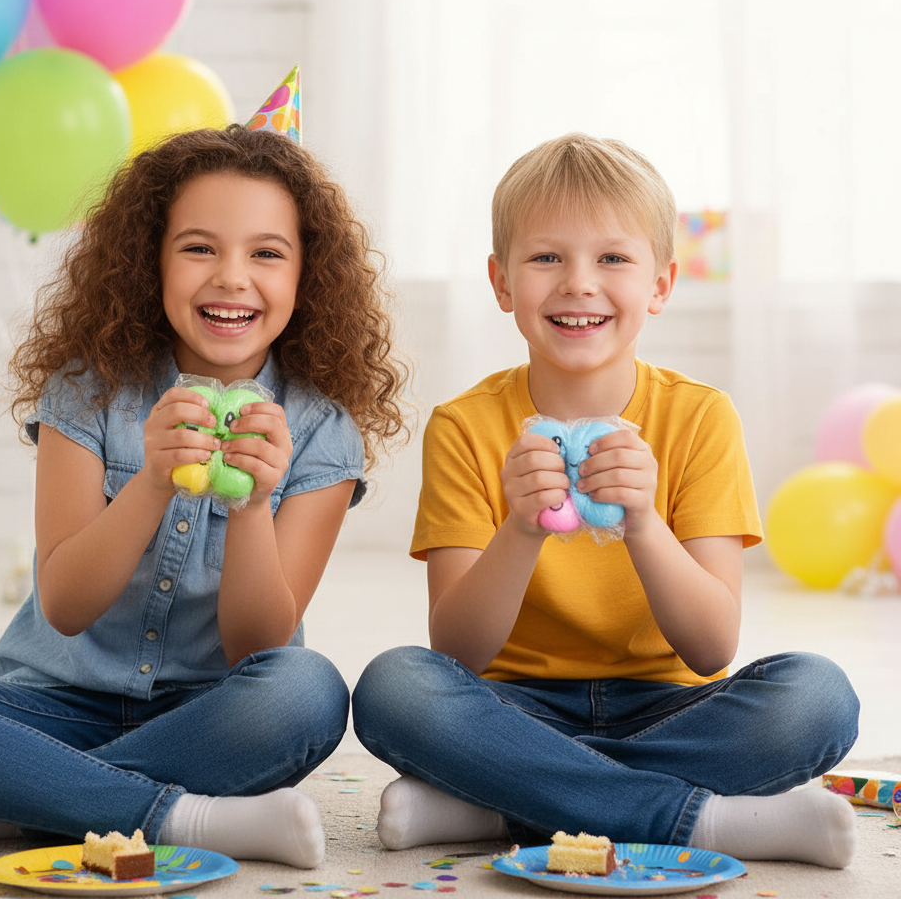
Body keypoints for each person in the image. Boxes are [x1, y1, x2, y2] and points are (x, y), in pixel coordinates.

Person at [0, 120, 408, 869]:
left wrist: (253, 504)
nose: (231, 276)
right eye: (199, 247)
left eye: (266, 253)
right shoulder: (88, 392)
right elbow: (65, 605)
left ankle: (7, 798)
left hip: (207, 716)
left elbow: (259, 646)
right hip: (51, 708)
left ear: (306, 276)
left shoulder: (323, 431)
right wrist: (153, 483)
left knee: (306, 692)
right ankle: (181, 816)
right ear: (148, 263)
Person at [352, 132, 860, 869]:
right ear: (501, 282)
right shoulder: (465, 424)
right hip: (515, 706)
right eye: (546, 257)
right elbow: (457, 652)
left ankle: (497, 801)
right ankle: (705, 822)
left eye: (613, 258)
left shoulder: (701, 416)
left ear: (660, 284)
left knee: (818, 696)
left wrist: (645, 522)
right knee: (394, 687)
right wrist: (521, 529)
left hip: (672, 706)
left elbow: (712, 646)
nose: (578, 283)